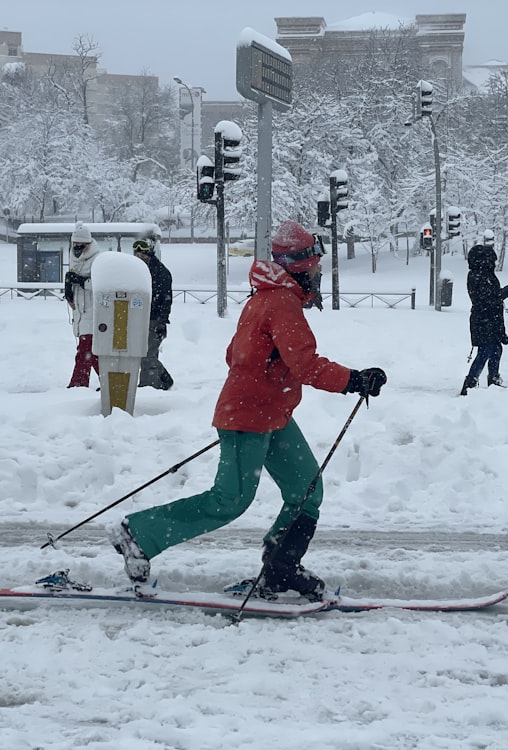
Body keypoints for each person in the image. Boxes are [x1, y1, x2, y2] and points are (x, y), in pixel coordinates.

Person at [109, 220, 387, 601]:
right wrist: (355, 379)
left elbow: (236, 355)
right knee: (230, 501)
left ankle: (280, 567)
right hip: (248, 416)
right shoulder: (279, 303)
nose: (319, 273)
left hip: (272, 415)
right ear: (299, 266)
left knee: (306, 489)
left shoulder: (267, 299)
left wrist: (269, 372)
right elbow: (305, 365)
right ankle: (138, 535)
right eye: (316, 266)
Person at [460, 243, 508, 396]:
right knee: (486, 351)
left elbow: (493, 296)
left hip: (490, 319)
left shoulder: (484, 275)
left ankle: (493, 380)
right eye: (492, 261)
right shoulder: (477, 276)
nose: (494, 264)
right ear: (484, 261)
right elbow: (488, 298)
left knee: (496, 349)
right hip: (483, 320)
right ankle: (469, 384)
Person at [132, 237, 174, 390]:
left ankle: (148, 387)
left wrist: (162, 321)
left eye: (143, 255)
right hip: (138, 318)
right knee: (140, 354)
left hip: (154, 319)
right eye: (136, 255)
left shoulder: (161, 272)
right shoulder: (135, 271)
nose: (139, 258)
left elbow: (167, 299)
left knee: (148, 355)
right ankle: (164, 378)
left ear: (150, 254)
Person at [64, 223, 102, 388]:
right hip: (79, 309)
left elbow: (101, 283)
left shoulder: (98, 259)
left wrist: (81, 281)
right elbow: (72, 277)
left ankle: (78, 384)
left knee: (85, 350)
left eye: (81, 244)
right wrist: (68, 288)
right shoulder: (73, 256)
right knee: (92, 352)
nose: (78, 247)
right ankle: (109, 380)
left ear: (88, 243)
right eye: (75, 244)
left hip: (94, 310)